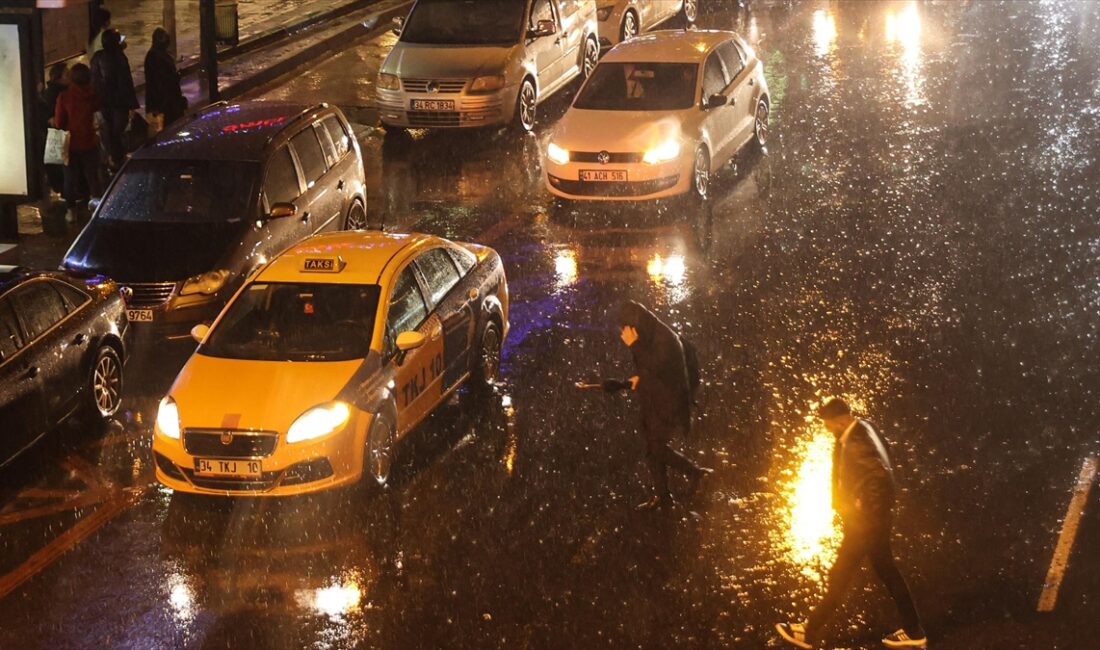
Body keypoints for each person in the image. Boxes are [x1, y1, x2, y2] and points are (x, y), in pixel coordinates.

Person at [777, 398, 926, 649]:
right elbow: (885, 454)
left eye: (829, 423)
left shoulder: (857, 441)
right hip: (873, 521)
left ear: (842, 420)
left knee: (840, 576)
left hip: (866, 524)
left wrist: (864, 510)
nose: (826, 428)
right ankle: (914, 630)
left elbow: (880, 475)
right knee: (888, 574)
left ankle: (809, 632)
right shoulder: (865, 427)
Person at [593, 300, 712, 510]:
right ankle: (662, 496)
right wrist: (630, 383)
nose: (623, 335)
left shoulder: (664, 340)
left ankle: (696, 473)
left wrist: (635, 345)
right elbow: (650, 370)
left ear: (634, 326)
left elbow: (659, 367)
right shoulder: (649, 335)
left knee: (656, 448)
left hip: (669, 403)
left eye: (625, 329)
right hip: (655, 398)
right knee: (651, 448)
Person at [54, 63, 103, 223]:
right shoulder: (94, 95)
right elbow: (98, 117)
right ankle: (96, 209)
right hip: (89, 141)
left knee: (69, 178)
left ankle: (71, 212)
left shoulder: (65, 96)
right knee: (92, 177)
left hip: (71, 143)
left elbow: (59, 122)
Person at [91, 29, 139, 170]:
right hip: (119, 103)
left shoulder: (97, 57)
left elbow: (94, 81)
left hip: (103, 102)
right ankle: (117, 159)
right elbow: (125, 82)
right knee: (117, 132)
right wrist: (131, 104)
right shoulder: (120, 57)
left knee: (107, 131)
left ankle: (112, 159)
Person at [144, 27, 187, 127]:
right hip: (165, 103)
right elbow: (162, 81)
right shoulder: (157, 56)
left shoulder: (157, 54)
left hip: (167, 101)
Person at [40, 62, 69, 195]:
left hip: (60, 132)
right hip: (57, 133)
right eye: (66, 74)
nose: (69, 77)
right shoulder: (54, 93)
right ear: (59, 77)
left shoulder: (62, 90)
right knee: (58, 166)